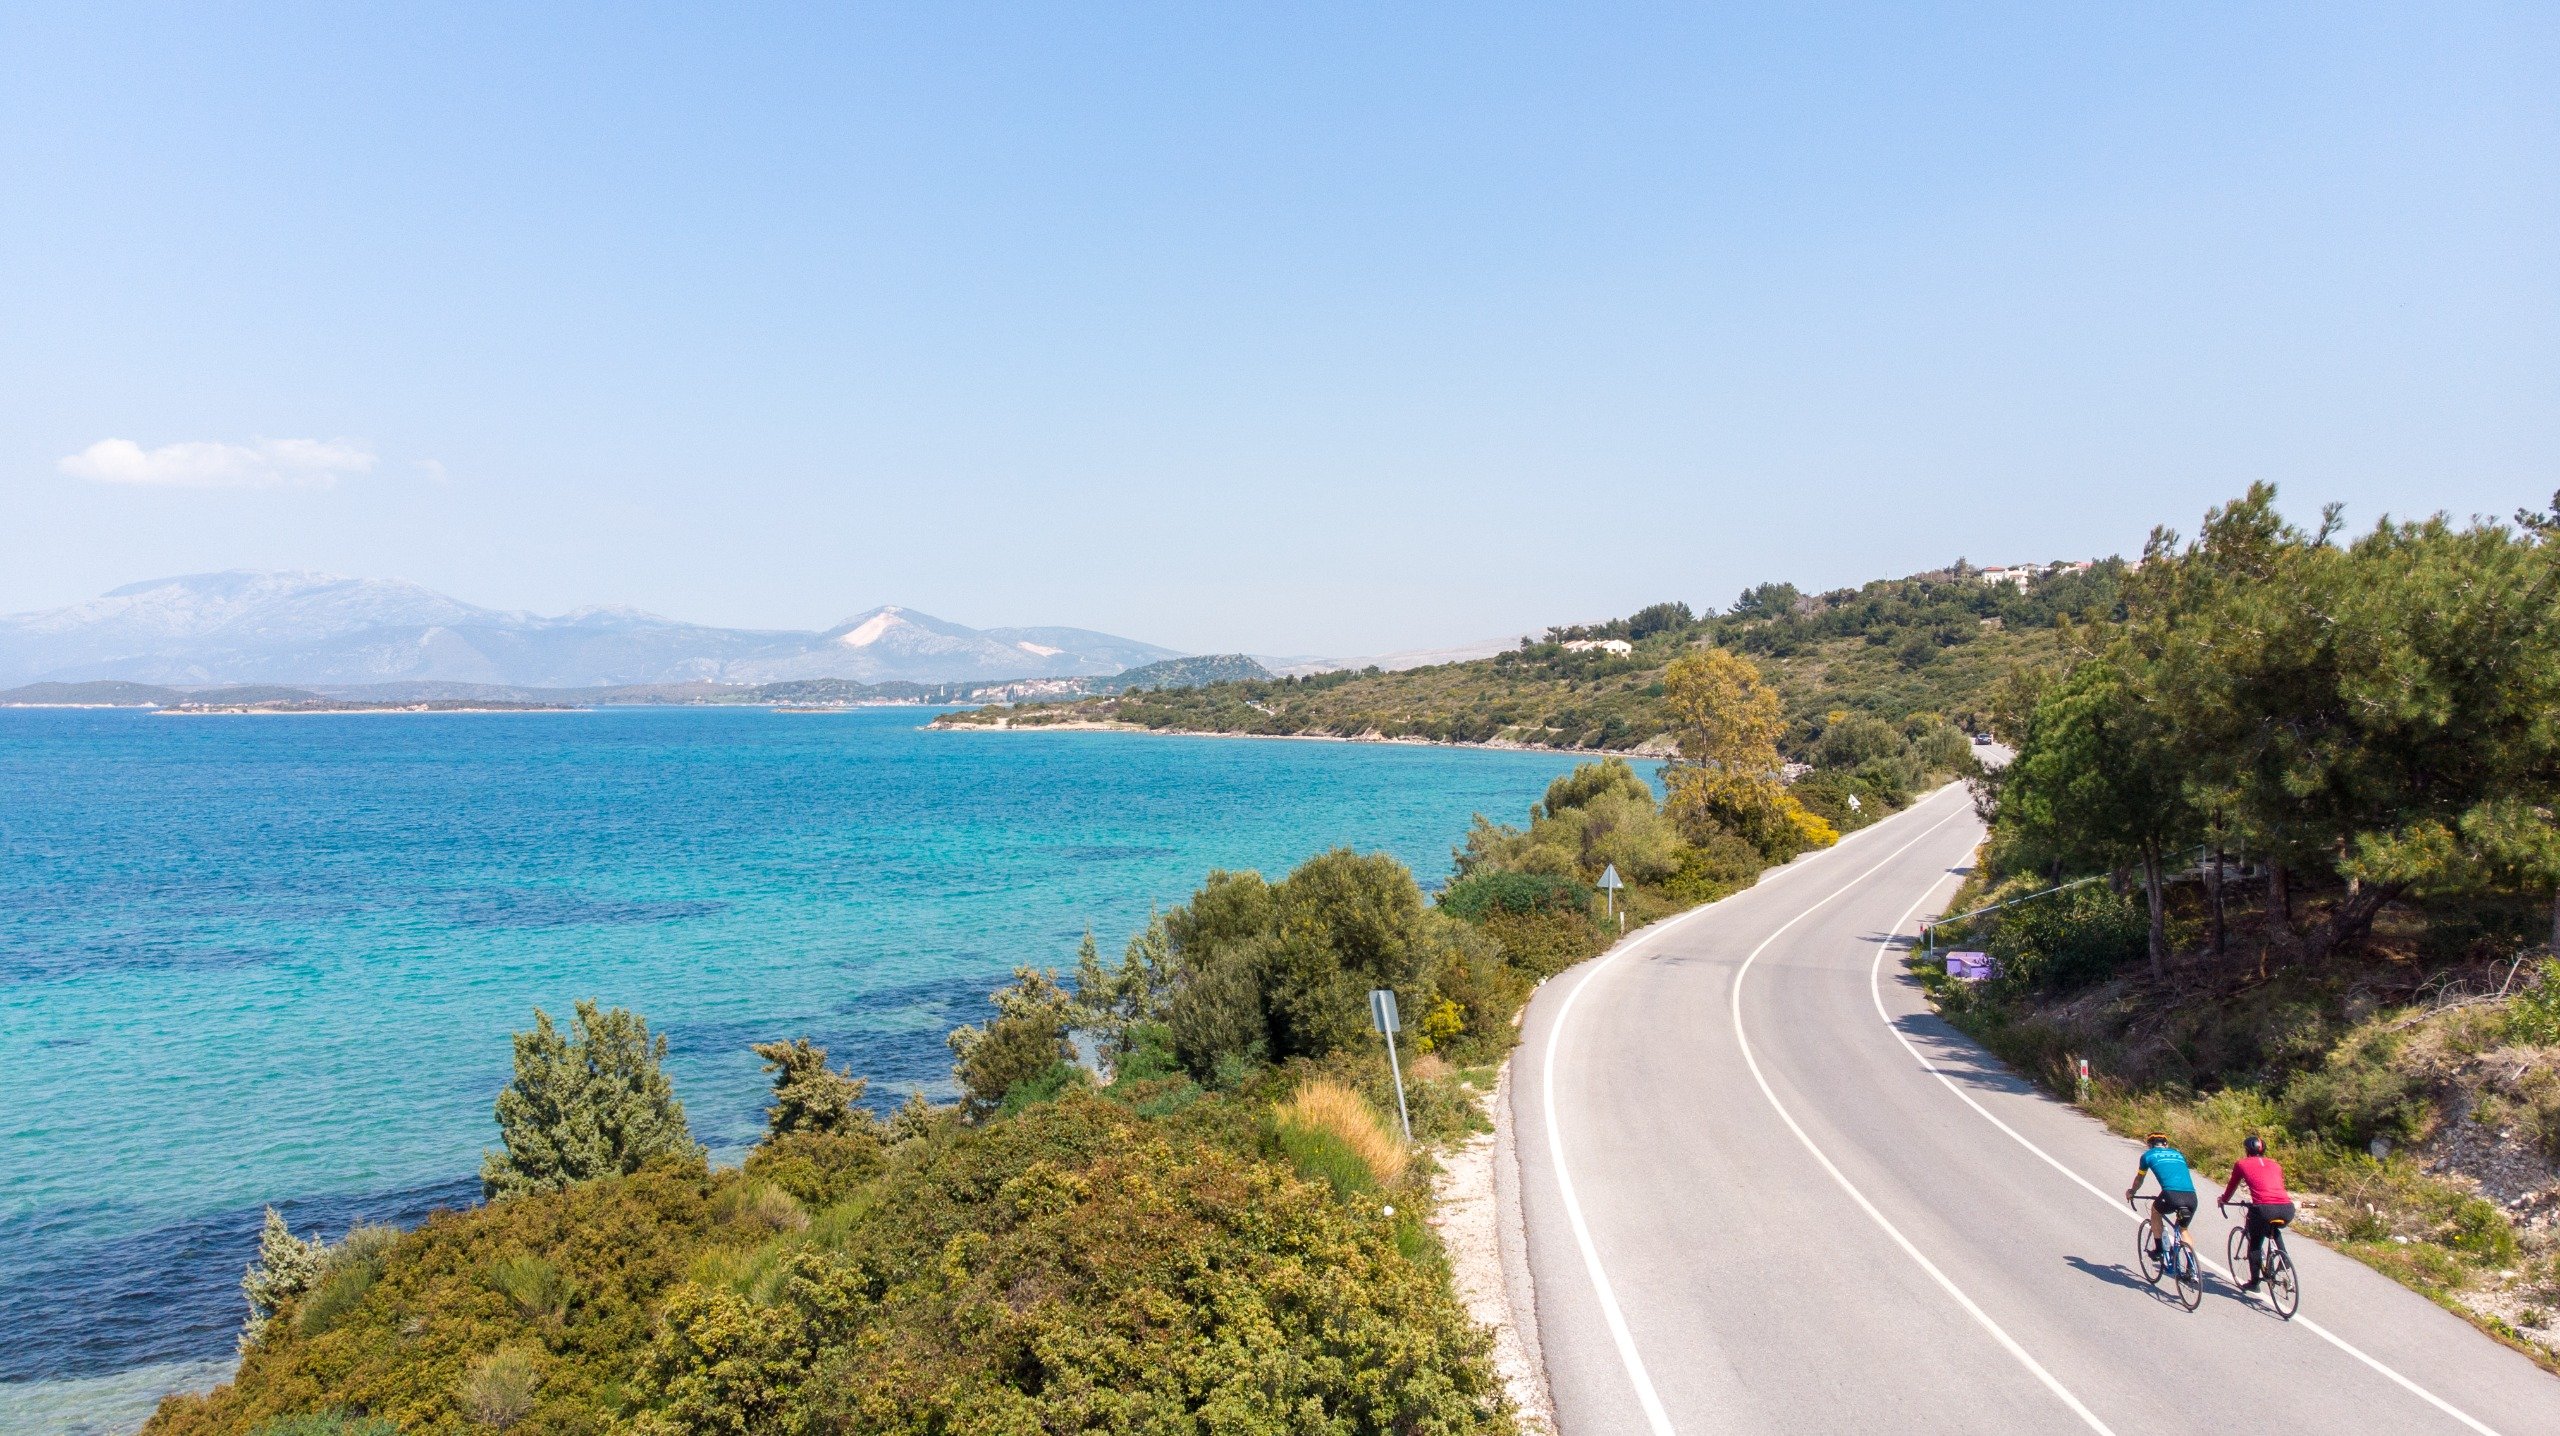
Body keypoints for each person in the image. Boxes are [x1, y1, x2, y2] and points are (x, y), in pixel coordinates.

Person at [2219, 1134, 2297, 1291]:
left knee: (2255, 1242)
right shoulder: (2276, 1165)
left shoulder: (2241, 1164)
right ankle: (2283, 1258)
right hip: (2287, 1208)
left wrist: (2223, 1199)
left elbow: (2232, 1186)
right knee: (2271, 1229)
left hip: (2263, 1209)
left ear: (2247, 1150)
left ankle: (2254, 1282)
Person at [2124, 1131, 2199, 1267]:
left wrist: (2132, 1191)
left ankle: (2158, 1249)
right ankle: (2192, 1267)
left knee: (2155, 1211)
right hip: (2192, 1197)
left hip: (2170, 1195)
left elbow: (2139, 1179)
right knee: (2183, 1229)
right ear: (2166, 1144)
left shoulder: (2147, 1156)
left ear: (2149, 1145)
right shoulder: (2179, 1154)